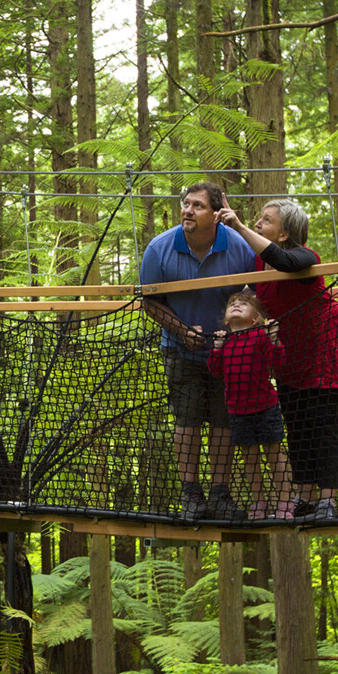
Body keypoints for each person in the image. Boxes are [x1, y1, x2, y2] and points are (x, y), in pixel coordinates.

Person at [218, 197, 338, 520]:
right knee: (297, 426)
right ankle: (305, 498)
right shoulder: (258, 266)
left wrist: (239, 225)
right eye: (257, 219)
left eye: (266, 220)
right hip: (290, 356)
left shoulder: (305, 257)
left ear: (284, 233)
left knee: (324, 427)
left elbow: (285, 263)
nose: (258, 223)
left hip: (328, 351)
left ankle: (327, 501)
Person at [139, 181, 256, 520]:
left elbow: (251, 291)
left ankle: (220, 495)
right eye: (186, 203)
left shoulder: (237, 247)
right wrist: (182, 331)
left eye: (198, 206)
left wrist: (233, 329)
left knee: (224, 423)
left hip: (228, 352)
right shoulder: (159, 249)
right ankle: (191, 495)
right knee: (186, 422)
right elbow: (150, 302)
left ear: (217, 214)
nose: (187, 210)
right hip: (180, 349)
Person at [209, 290, 294, 519]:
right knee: (249, 457)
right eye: (232, 304)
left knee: (274, 453)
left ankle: (285, 501)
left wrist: (274, 338)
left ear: (255, 318)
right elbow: (215, 371)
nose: (236, 305)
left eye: (243, 304)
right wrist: (216, 348)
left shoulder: (260, 336)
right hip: (238, 411)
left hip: (266, 406)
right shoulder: (225, 342)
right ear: (227, 319)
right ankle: (259, 501)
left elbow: (277, 364)